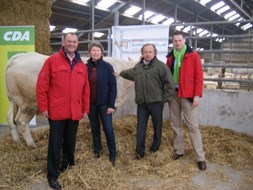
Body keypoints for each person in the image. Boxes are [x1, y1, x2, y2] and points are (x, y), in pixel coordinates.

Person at [36, 32, 90, 189]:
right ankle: (52, 175)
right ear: (63, 43)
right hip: (57, 111)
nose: (72, 44)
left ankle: (67, 166)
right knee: (55, 143)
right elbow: (42, 85)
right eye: (69, 41)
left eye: (74, 41)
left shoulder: (81, 65)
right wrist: (43, 107)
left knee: (70, 141)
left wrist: (85, 108)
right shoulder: (52, 61)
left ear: (77, 44)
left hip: (74, 111)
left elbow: (86, 89)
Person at [117, 43, 175, 159]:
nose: (148, 54)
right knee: (140, 127)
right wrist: (120, 73)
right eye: (145, 52)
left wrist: (164, 99)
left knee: (157, 126)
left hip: (156, 103)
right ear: (142, 53)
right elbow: (131, 73)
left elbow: (170, 84)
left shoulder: (161, 67)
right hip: (142, 104)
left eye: (150, 52)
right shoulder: (139, 66)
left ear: (154, 53)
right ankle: (139, 152)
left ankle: (155, 148)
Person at [166, 30, 206, 170]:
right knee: (175, 123)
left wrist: (196, 95)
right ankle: (179, 150)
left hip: (188, 96)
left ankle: (200, 157)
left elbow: (198, 77)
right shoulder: (170, 56)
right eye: (175, 41)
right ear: (173, 41)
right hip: (174, 95)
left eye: (180, 40)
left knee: (193, 126)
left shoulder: (193, 55)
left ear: (184, 41)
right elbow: (167, 75)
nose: (177, 43)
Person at [86, 41, 117, 167]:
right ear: (90, 52)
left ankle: (113, 153)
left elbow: (113, 87)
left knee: (108, 129)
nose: (95, 52)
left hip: (104, 105)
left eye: (97, 50)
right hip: (91, 104)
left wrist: (111, 105)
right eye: (93, 50)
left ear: (101, 52)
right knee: (94, 128)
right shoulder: (85, 67)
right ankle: (97, 151)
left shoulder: (108, 67)